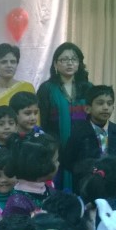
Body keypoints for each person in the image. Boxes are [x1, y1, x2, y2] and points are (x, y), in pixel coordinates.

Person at [36, 43, 93, 190]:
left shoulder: (88, 88)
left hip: (83, 148)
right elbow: (42, 121)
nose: (69, 63)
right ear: (56, 64)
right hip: (56, 148)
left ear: (79, 63)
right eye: (64, 59)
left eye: (74, 59)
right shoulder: (46, 89)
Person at [61, 85, 116, 193]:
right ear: (88, 109)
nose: (106, 107)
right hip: (85, 187)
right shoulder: (79, 132)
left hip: (114, 187)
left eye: (109, 103)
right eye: (100, 103)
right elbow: (67, 162)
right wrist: (86, 168)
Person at [0, 43, 36, 152]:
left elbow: (34, 120)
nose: (9, 65)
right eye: (4, 62)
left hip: (23, 145)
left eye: (13, 62)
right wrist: (6, 136)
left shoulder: (27, 88)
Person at [2, 133, 59, 218]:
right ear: (41, 167)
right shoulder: (17, 205)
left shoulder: (47, 189)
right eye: (56, 160)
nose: (58, 164)